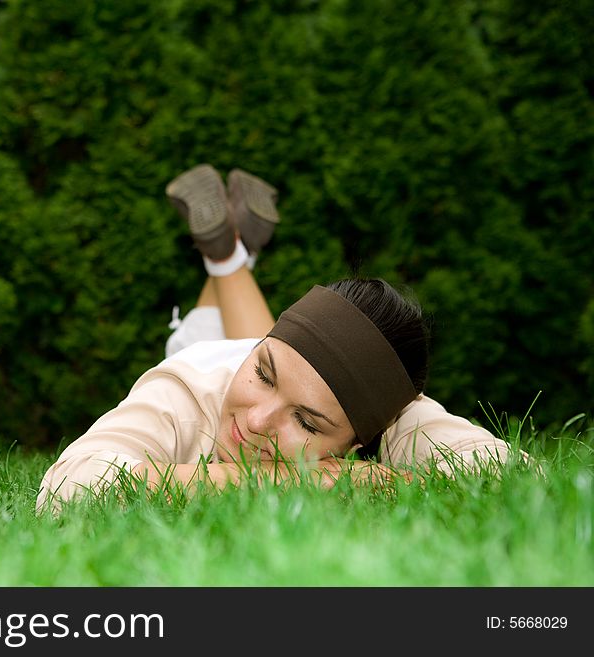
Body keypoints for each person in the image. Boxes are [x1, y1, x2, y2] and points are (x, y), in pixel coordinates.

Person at [36, 164, 520, 511]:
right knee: (214, 347)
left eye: (307, 424)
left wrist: (384, 478)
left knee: (256, 352)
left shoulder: (395, 416)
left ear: (358, 445)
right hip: (214, 358)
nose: (257, 420)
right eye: (264, 374)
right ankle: (230, 258)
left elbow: (521, 485)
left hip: (261, 350)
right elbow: (71, 490)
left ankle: (229, 254)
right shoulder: (185, 387)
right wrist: (286, 480)